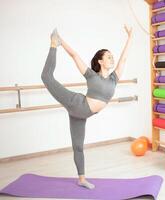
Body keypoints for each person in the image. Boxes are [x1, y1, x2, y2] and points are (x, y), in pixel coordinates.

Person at [41, 26, 133, 189]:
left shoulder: (113, 79)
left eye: (112, 57)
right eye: (109, 57)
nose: (112, 59)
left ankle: (81, 179)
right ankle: (53, 44)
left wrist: (130, 37)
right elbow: (75, 55)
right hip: (76, 103)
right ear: (100, 61)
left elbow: (123, 59)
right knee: (46, 77)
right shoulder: (91, 75)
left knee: (78, 146)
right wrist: (61, 42)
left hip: (81, 115)